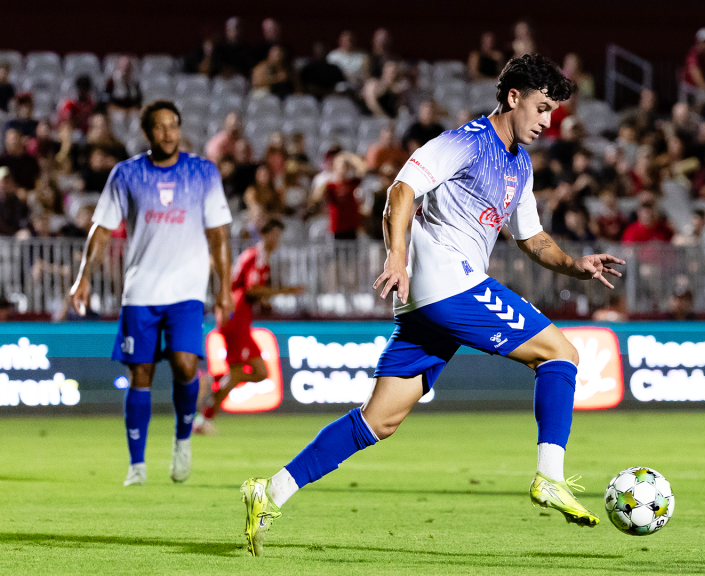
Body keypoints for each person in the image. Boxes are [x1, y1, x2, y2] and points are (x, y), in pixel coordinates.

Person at [239, 54, 624, 556]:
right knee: (561, 354)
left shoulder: (520, 166)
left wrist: (577, 264)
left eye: (553, 112)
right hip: (448, 281)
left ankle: (269, 492)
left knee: (379, 421)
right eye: (542, 107)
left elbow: (532, 239)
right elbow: (400, 191)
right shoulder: (465, 141)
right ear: (513, 98)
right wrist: (396, 256)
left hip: (430, 301)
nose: (548, 121)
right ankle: (549, 476)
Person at [68, 101, 234, 487]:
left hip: (187, 289)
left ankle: (182, 441)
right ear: (146, 133)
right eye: (159, 127)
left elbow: (219, 235)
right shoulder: (125, 174)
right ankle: (137, 465)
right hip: (141, 289)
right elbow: (102, 230)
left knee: (186, 364)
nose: (168, 133)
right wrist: (83, 277)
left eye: (173, 125)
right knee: (140, 373)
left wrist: (223, 288)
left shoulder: (202, 172)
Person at [193, 219, 304, 435]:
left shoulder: (255, 255)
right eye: (276, 234)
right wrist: (284, 291)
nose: (278, 240)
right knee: (240, 372)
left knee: (260, 372)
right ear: (266, 234)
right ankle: (204, 416)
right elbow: (252, 289)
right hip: (236, 316)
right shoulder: (258, 255)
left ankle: (211, 385)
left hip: (236, 314)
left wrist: (265, 299)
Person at [308, 151, 366, 240]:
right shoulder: (330, 186)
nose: (345, 170)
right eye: (343, 166)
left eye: (348, 167)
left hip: (352, 225)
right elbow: (318, 199)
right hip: (337, 226)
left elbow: (361, 170)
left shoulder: (355, 183)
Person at [682, 28, 705, 93]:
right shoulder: (693, 53)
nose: (704, 45)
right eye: (700, 42)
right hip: (690, 88)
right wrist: (704, 86)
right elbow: (695, 71)